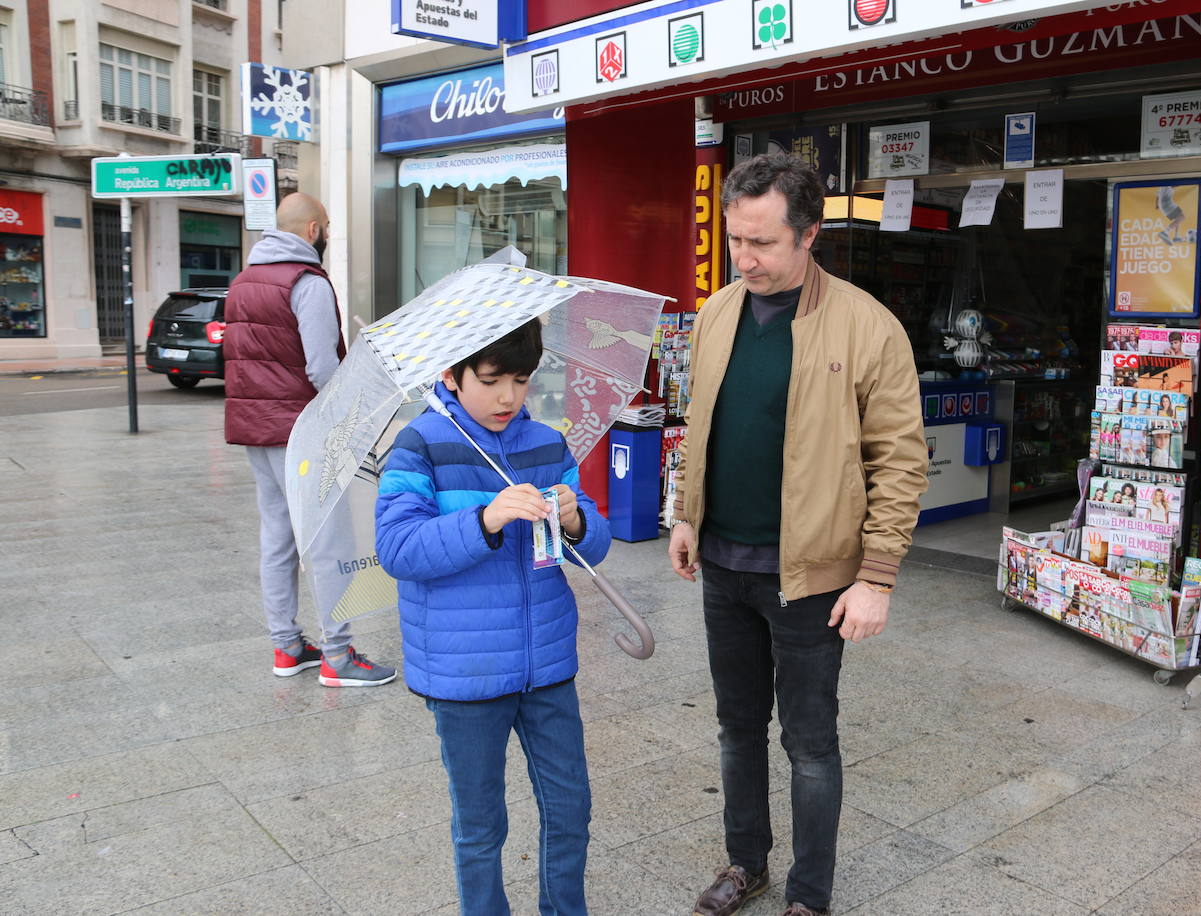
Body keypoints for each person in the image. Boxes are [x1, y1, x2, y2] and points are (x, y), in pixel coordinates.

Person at [667, 153, 928, 916]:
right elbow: (702, 425)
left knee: (810, 744)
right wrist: (687, 514)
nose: (744, 258)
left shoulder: (867, 325)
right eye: (734, 239)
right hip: (724, 562)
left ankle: (809, 896)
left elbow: (901, 459)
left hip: (812, 577)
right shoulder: (717, 314)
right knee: (736, 728)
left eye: (763, 243)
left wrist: (876, 576)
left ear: (809, 234)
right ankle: (745, 863)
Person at [375, 320, 610, 916]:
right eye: (490, 380)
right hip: (466, 672)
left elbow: (592, 545)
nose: (508, 397)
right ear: (451, 377)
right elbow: (398, 549)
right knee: (480, 825)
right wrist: (485, 520)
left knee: (570, 808)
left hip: (547, 663)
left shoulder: (547, 445)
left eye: (521, 380)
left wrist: (576, 518)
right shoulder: (419, 444)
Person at [224, 193, 396, 687]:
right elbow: (323, 369)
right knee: (327, 542)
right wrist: (354, 417)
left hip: (256, 431)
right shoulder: (307, 283)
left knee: (277, 538)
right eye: (329, 230)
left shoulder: (243, 282)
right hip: (301, 434)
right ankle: (338, 657)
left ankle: (286, 647)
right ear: (316, 229)